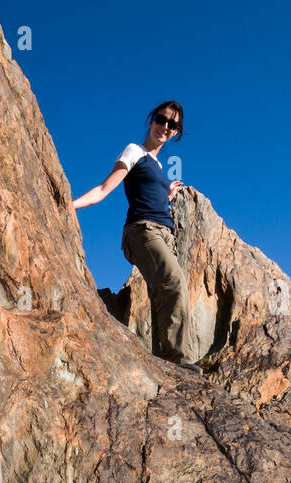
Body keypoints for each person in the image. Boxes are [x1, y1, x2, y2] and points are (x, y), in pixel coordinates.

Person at [71, 101, 199, 372]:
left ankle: (163, 360)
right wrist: (70, 205)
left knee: (161, 292)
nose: (165, 127)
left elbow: (150, 195)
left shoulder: (158, 165)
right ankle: (179, 360)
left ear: (176, 133)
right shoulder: (134, 151)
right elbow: (105, 187)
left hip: (165, 234)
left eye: (172, 125)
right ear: (151, 120)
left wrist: (167, 195)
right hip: (142, 230)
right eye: (162, 120)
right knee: (174, 283)